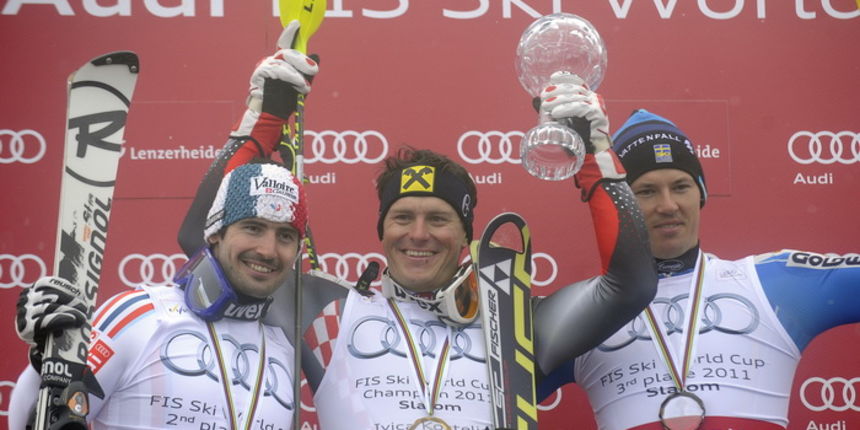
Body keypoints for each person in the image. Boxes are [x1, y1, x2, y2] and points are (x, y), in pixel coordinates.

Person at [175, 65, 658, 427]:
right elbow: (203, 242)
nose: (419, 234)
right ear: (382, 230)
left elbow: (630, 286)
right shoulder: (325, 309)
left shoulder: (510, 319)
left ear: (467, 234)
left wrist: (595, 157)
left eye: (439, 219)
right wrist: (262, 124)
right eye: (402, 217)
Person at [9, 21, 318, 430]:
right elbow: (30, 422)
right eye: (252, 228)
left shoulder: (284, 346)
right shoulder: (141, 316)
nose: (267, 249)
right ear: (214, 233)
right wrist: (45, 362)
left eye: (285, 236)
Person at [536, 96, 860, 429]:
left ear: (701, 193)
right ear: (622, 203)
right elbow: (488, 396)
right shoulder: (582, 312)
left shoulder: (772, 284)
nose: (668, 205)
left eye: (681, 187)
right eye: (646, 191)